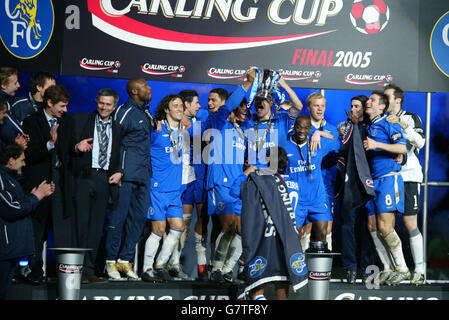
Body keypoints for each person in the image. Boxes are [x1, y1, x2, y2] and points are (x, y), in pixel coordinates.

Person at [21, 84, 93, 285]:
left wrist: (77, 148)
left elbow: (69, 148)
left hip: (61, 183)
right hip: (39, 183)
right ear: (49, 103)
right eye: (62, 106)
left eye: (67, 106)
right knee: (38, 230)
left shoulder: (67, 121)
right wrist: (50, 144)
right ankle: (35, 272)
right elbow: (28, 154)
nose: (65, 110)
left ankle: (65, 275)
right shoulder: (31, 122)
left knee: (63, 230)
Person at [205, 70, 256, 283]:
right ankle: (215, 269)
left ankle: (227, 270)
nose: (245, 110)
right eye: (242, 106)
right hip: (219, 184)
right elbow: (228, 104)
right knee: (228, 227)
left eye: (247, 107)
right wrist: (248, 82)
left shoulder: (243, 132)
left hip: (237, 187)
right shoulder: (219, 121)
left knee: (241, 231)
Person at [237, 146, 308, 300]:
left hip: (267, 237)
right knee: (282, 286)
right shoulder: (293, 182)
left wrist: (247, 173)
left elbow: (235, 191)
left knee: (257, 285)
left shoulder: (262, 178)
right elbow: (302, 207)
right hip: (289, 237)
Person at [72, 88, 123, 284]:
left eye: (108, 104)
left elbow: (118, 157)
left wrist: (119, 172)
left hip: (104, 180)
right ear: (96, 102)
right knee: (81, 224)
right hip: (84, 177)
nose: (104, 107)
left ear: (114, 106)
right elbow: (68, 146)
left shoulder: (118, 128)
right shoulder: (81, 120)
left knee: (96, 227)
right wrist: (77, 147)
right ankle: (77, 268)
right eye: (101, 102)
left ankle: (90, 269)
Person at [104, 78, 152, 280]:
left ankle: (125, 260)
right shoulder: (123, 112)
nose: (149, 89)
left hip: (143, 175)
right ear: (134, 91)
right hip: (126, 175)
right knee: (119, 218)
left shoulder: (146, 112)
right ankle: (110, 261)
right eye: (145, 86)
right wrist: (118, 170)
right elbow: (112, 142)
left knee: (138, 220)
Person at [363, 91, 410, 286]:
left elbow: (402, 148)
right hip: (374, 182)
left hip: (389, 179)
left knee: (385, 226)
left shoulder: (389, 122)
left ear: (382, 106)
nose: (368, 102)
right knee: (373, 226)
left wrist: (376, 144)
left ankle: (403, 268)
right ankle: (388, 268)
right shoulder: (370, 125)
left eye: (372, 100)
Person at [0, 144, 54, 300]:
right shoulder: (1, 178)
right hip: (4, 250)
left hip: (10, 250)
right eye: (22, 160)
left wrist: (36, 196)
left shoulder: (11, 179)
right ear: (11, 161)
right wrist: (35, 197)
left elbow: (17, 204)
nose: (24, 164)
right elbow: (11, 209)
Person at [384, 83, 426, 285]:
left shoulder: (411, 117)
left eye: (387, 98)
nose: (384, 102)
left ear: (398, 100)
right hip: (388, 177)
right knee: (386, 225)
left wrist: (402, 124)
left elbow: (421, 143)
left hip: (408, 177)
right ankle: (396, 269)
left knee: (410, 223)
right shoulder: (381, 118)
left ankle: (420, 269)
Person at [141, 94, 186, 281]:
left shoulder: (183, 130)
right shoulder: (156, 128)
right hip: (158, 188)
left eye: (181, 105)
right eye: (175, 105)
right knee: (158, 230)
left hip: (175, 190)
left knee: (178, 227)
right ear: (166, 109)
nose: (180, 108)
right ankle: (146, 269)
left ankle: (160, 265)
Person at [336, 95, 377, 283]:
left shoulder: (372, 128)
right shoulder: (346, 127)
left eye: (357, 106)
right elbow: (343, 148)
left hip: (370, 185)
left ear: (364, 109)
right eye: (351, 106)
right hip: (350, 184)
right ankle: (350, 269)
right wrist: (347, 129)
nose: (353, 109)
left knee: (370, 228)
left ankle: (370, 272)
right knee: (347, 227)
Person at [285, 115, 339, 253]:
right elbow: (272, 165)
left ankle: (318, 272)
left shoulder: (318, 143)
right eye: (298, 127)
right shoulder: (284, 144)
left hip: (317, 198)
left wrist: (319, 133)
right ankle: (296, 269)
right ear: (294, 127)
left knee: (322, 234)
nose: (301, 131)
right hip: (297, 199)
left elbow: (336, 139)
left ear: (310, 128)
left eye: (305, 128)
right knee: (294, 235)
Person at [166, 89, 202, 280]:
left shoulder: (200, 121)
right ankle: (161, 263)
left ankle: (175, 262)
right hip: (172, 180)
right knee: (168, 225)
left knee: (185, 225)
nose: (200, 106)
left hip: (189, 180)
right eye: (196, 102)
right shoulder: (169, 122)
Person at [302, 92, 339, 252]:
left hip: (324, 185)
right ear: (309, 107)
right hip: (304, 183)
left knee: (326, 228)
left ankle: (326, 270)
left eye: (322, 106)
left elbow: (335, 143)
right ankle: (300, 267)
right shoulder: (302, 128)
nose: (320, 109)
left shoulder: (331, 129)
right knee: (305, 229)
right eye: (316, 105)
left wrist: (320, 133)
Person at [0, 67, 28, 150]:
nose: (19, 85)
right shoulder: (2, 102)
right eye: (15, 83)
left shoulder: (7, 100)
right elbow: (8, 127)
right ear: (3, 85)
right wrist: (21, 137)